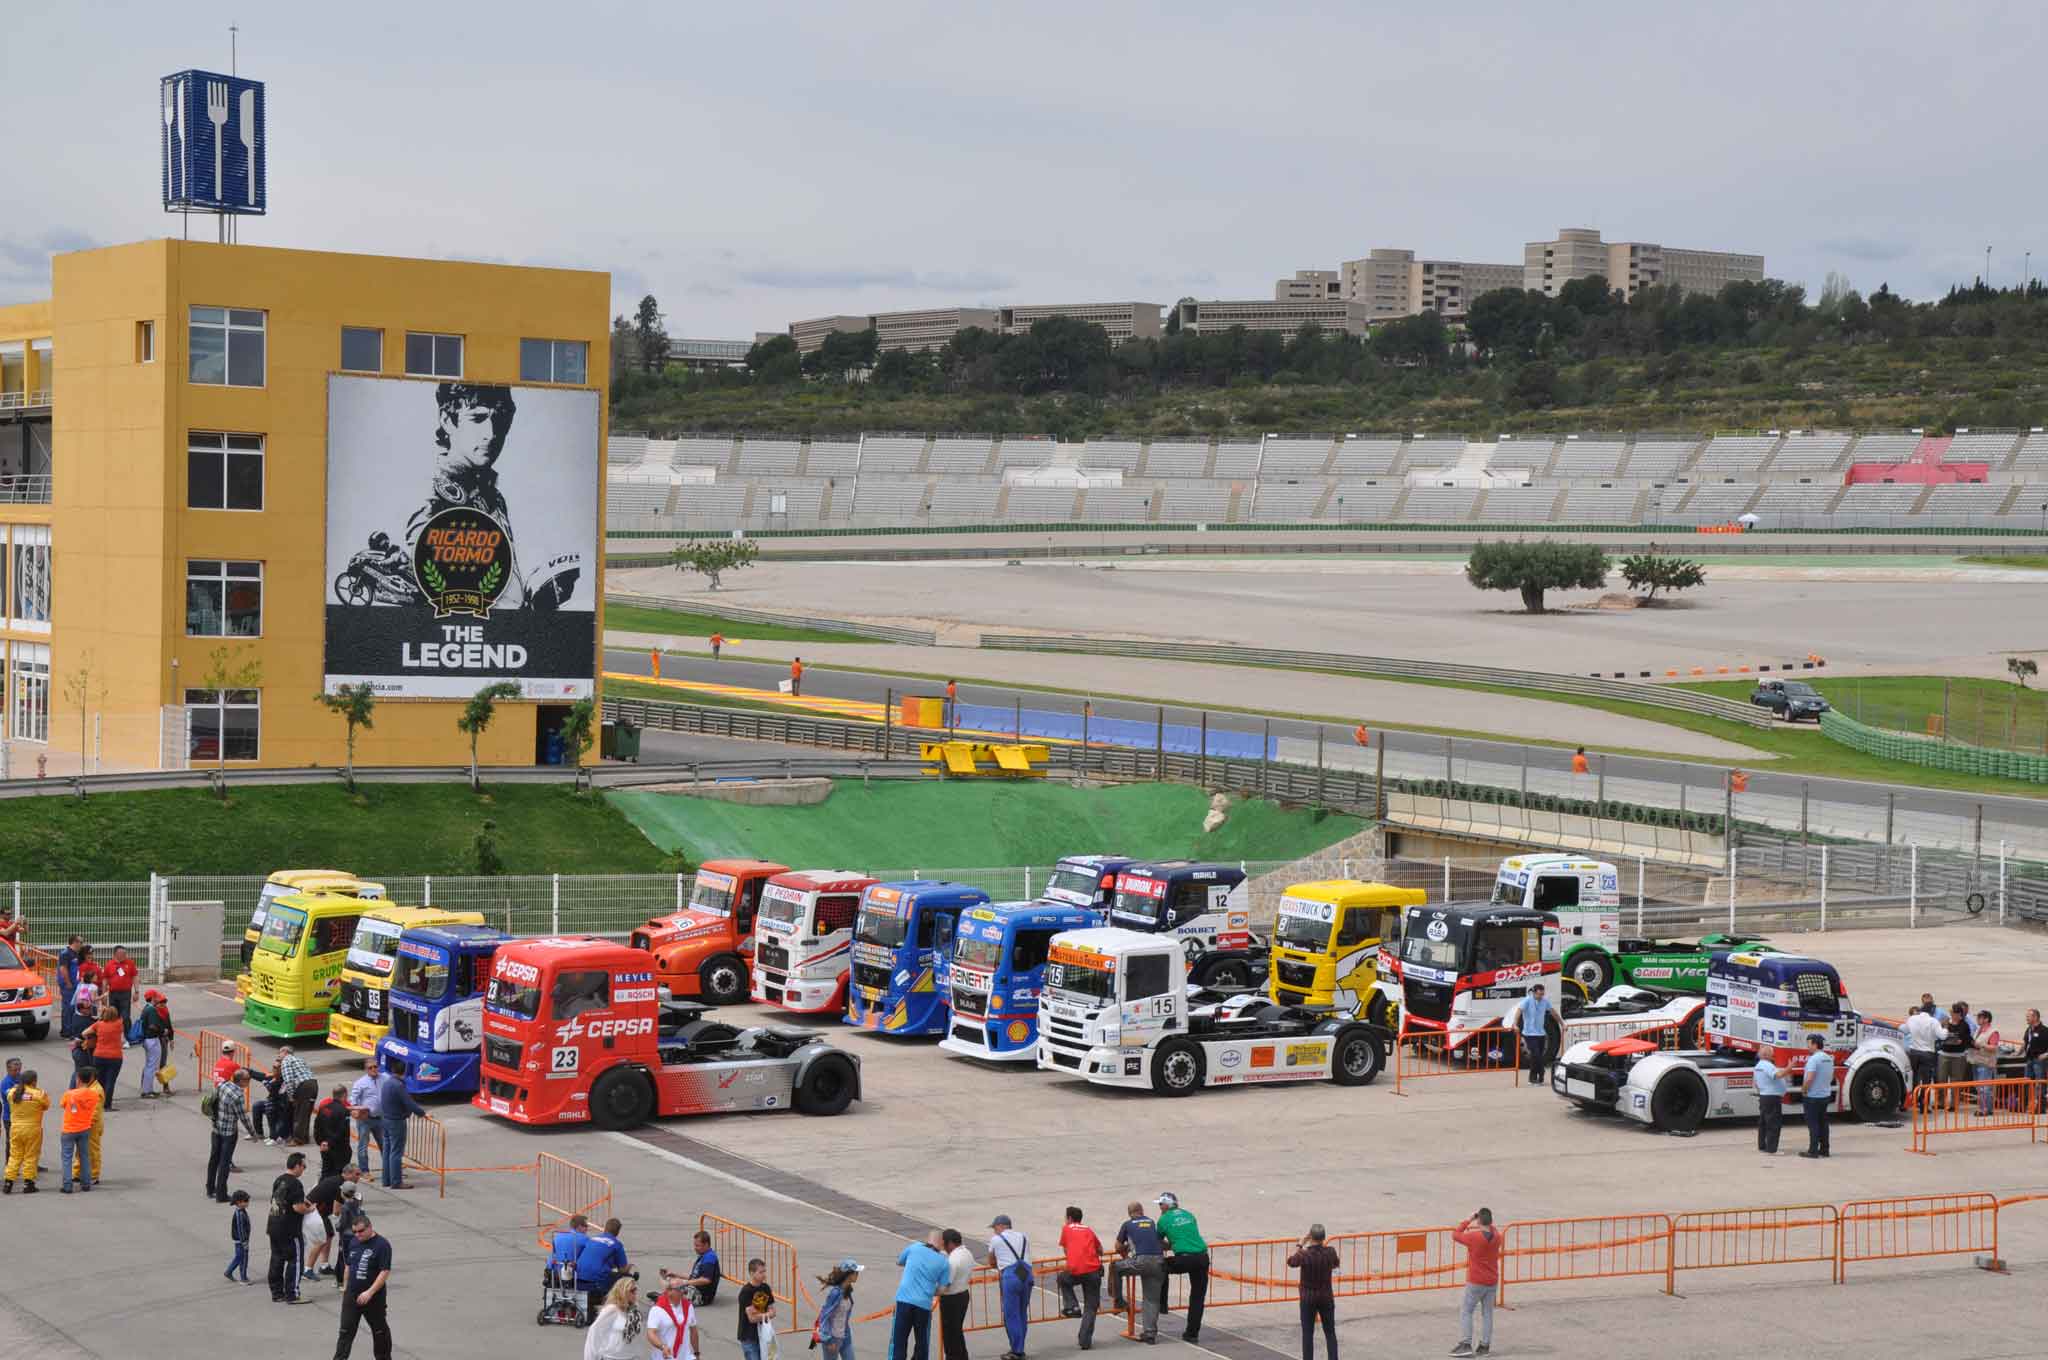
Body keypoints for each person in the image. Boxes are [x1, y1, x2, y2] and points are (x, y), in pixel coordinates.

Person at [336, 1213, 395, 1360]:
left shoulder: (382, 1245)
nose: (357, 1235)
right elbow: (348, 1266)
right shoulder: (354, 1242)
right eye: (355, 1231)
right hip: (352, 1295)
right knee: (345, 1332)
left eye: (361, 1231)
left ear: (370, 1227)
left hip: (373, 1297)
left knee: (379, 1331)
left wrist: (370, 1292)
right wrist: (345, 1287)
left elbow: (384, 1271)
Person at [1109, 1200, 1166, 1344]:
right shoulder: (1152, 1222)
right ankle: (1150, 1334)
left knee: (1114, 1267)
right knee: (1151, 1299)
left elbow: (1117, 1246)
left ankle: (1119, 1302)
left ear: (1130, 1214)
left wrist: (1127, 1250)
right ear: (1142, 1211)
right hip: (1159, 1262)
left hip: (1141, 1261)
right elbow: (1159, 1242)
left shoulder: (1128, 1224)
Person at [1156, 1192, 1209, 1343]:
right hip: (1202, 1257)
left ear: (1166, 1205)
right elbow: (1189, 1235)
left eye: (1160, 1204)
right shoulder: (1189, 1215)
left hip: (1184, 1258)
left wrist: (1170, 1244)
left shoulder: (1163, 1219)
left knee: (1161, 1266)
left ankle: (1162, 1304)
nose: (1159, 1208)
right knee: (1198, 1298)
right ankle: (1192, 1334)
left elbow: (1157, 1241)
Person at [1449, 1208, 1500, 1357]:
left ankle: (1466, 1343)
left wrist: (1468, 1220)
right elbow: (1493, 1229)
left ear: (1479, 1221)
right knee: (1487, 1314)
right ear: (1491, 1221)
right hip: (1492, 1280)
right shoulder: (1497, 1236)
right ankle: (1484, 1346)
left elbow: (1455, 1234)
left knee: (1467, 1311)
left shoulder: (1474, 1237)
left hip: (1476, 1281)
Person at [890, 1233, 948, 1360]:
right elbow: (943, 1289)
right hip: (923, 1304)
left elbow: (899, 1261)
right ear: (941, 1244)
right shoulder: (944, 1262)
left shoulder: (914, 1247)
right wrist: (929, 1291)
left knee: (899, 1339)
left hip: (904, 1300)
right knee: (921, 1341)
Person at [1287, 1224, 1339, 1360]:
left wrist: (1300, 1245)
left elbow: (1291, 1262)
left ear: (1310, 1237)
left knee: (1308, 1334)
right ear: (1324, 1238)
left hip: (1308, 1298)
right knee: (1330, 1333)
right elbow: (1335, 1263)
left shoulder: (1304, 1255)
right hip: (1326, 1296)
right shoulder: (1331, 1252)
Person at [1056, 1205, 1104, 1351]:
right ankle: (1085, 1341)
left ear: (1069, 1218)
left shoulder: (1067, 1228)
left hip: (1076, 1270)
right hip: (1093, 1270)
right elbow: (1100, 1250)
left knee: (1062, 1279)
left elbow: (1065, 1249)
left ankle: (1072, 1306)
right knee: (1091, 1306)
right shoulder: (1088, 1229)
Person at [268, 1150, 313, 1303]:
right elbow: (297, 1207)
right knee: (295, 1260)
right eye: (304, 1166)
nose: (304, 1169)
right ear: (297, 1166)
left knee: (277, 1259)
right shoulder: (295, 1183)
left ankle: (277, 1292)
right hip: (289, 1229)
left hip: (274, 1224)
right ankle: (292, 1294)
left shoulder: (279, 1179)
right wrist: (310, 1210)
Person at [374, 1060, 427, 1188]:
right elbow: (409, 1103)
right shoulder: (398, 1085)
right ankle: (396, 1182)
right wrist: (422, 1113)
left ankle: (386, 1180)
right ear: (404, 1071)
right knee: (396, 1152)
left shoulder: (387, 1083)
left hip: (385, 1120)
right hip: (395, 1121)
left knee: (387, 1151)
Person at [988, 1214, 1033, 1360]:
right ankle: (1019, 1347)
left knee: (1011, 1314)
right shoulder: (1024, 1236)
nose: (994, 1231)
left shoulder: (996, 1239)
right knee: (1021, 1313)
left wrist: (999, 1263)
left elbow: (991, 1261)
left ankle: (1017, 1350)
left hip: (1011, 1276)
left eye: (995, 1228)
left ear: (1001, 1226)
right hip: (1027, 1274)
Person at [305, 1164, 359, 1283]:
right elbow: (336, 1210)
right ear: (348, 1174)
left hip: (318, 1211)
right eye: (357, 1174)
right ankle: (307, 1269)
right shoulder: (342, 1186)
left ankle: (324, 1265)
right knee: (321, 1240)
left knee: (328, 1235)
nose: (359, 1177)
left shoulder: (338, 1180)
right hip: (314, 1212)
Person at [208, 1068, 255, 1201]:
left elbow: (213, 1101)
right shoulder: (237, 1095)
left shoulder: (222, 1085)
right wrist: (253, 1133)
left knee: (214, 1159)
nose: (249, 1083)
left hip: (216, 1128)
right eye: (248, 1080)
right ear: (242, 1081)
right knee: (224, 1162)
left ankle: (210, 1189)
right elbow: (243, 1117)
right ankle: (221, 1195)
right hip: (229, 1132)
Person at [576, 1217, 632, 1315]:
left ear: (605, 1228)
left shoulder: (592, 1239)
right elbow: (622, 1269)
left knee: (607, 1272)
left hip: (579, 1277)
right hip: (596, 1281)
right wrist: (629, 1267)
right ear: (618, 1232)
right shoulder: (616, 1244)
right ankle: (619, 1306)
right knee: (627, 1278)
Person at [3, 1068, 46, 1194]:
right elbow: (46, 1105)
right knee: (31, 1156)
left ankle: (8, 1182)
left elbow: (8, 1097)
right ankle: (28, 1184)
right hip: (33, 1129)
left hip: (15, 1128)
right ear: (34, 1081)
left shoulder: (12, 1093)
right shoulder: (39, 1094)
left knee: (14, 1156)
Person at [56, 1068, 99, 1193]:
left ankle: (67, 1185)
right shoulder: (94, 1094)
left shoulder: (69, 1094)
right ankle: (86, 1184)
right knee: (85, 1156)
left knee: (67, 1158)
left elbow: (63, 1105)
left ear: (78, 1079)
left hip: (69, 1129)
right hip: (85, 1128)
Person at [585, 1276, 645, 1360]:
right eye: (632, 1291)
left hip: (630, 1357)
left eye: (636, 1290)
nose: (635, 1293)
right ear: (622, 1292)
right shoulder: (612, 1309)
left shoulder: (635, 1312)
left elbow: (637, 1339)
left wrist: (638, 1356)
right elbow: (594, 1333)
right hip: (611, 1357)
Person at [812, 1260, 860, 1360]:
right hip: (832, 1338)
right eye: (856, 1272)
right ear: (848, 1274)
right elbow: (824, 1317)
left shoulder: (848, 1290)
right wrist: (828, 1340)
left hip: (845, 1336)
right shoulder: (835, 1293)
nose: (858, 1275)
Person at [1797, 1033, 1835, 1158]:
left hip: (1812, 1096)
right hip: (1824, 1095)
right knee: (1823, 1123)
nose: (1807, 1046)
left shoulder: (1813, 1059)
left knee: (1813, 1124)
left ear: (1814, 1044)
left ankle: (1813, 1150)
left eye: (1808, 1043)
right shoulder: (1828, 1058)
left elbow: (1809, 1078)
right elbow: (1831, 1076)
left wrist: (1804, 1090)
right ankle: (1825, 1149)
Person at [940, 1228, 974, 1360]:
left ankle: (953, 1357)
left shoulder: (953, 1260)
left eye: (944, 1245)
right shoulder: (967, 1253)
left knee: (950, 1334)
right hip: (963, 1294)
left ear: (950, 1244)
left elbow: (946, 1283)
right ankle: (962, 1356)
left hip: (951, 1299)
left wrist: (932, 1292)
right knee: (957, 1330)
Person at [83, 1003, 124, 1111]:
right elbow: (122, 1016)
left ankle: (97, 1102)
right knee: (110, 1081)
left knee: (99, 1080)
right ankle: (107, 1105)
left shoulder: (99, 1024)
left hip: (99, 1055)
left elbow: (84, 1033)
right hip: (115, 1056)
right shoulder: (119, 1024)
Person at [1511, 984, 1553, 1085]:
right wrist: (1515, 1024)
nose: (1541, 996)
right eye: (1539, 994)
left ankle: (1533, 1078)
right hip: (1529, 1033)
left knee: (1537, 1057)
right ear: (1534, 993)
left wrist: (1562, 1023)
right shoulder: (1527, 1001)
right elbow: (1519, 1011)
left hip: (1541, 1033)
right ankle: (1541, 1071)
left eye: (1542, 994)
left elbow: (1553, 1012)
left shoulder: (1544, 1001)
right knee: (1536, 1054)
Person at [738, 1257, 778, 1360]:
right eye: (761, 1272)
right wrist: (766, 1314)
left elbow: (773, 1311)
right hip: (749, 1336)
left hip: (764, 1334)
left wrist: (760, 1314)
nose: (764, 1274)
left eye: (764, 1271)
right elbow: (752, 1319)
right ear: (752, 1273)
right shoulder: (746, 1292)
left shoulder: (765, 1288)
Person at [1902, 1002, 1942, 1101]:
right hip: (1927, 1054)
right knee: (1926, 1080)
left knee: (1914, 1078)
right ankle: (1924, 1103)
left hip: (1914, 1052)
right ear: (1932, 1011)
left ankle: (1912, 1100)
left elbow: (1904, 1030)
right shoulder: (1933, 1021)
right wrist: (1945, 1030)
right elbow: (1942, 1035)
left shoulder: (1912, 1019)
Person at [1936, 1002, 1974, 1108]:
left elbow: (1966, 1039)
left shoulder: (1964, 1025)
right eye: (1952, 1012)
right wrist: (1945, 1026)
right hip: (1944, 1054)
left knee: (1956, 1081)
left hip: (1958, 1056)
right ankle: (1941, 1102)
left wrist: (1960, 1041)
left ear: (1959, 1015)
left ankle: (1954, 1104)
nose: (1953, 1015)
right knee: (1941, 1079)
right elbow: (1940, 1034)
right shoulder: (1946, 1022)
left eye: (1955, 1013)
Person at [280, 1045, 319, 1145]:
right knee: (306, 1112)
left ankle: (298, 1139)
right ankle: (304, 1137)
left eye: (280, 1053)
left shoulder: (286, 1061)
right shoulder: (299, 1059)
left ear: (285, 1052)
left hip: (303, 1086)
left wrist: (291, 1095)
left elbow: (288, 1080)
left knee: (299, 1114)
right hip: (313, 1084)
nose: (279, 1056)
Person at [349, 1058, 382, 1175]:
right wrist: (355, 1111)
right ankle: (364, 1171)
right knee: (363, 1146)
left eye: (375, 1066)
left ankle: (388, 1168)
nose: (373, 1069)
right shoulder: (360, 1083)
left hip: (380, 1119)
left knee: (384, 1144)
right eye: (370, 1068)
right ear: (366, 1069)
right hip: (365, 1120)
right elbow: (353, 1100)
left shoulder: (385, 1079)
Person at [138, 988, 173, 1100]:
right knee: (151, 1066)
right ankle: (147, 1091)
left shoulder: (146, 1009)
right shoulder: (152, 1010)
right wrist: (163, 1031)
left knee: (150, 1065)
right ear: (153, 998)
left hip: (148, 1039)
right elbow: (153, 1026)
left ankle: (148, 1089)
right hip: (152, 1039)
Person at [315, 1084, 353, 1178]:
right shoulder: (343, 1111)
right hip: (340, 1148)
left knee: (326, 1172)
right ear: (344, 1095)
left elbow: (317, 1126)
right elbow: (342, 1131)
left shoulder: (324, 1108)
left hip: (325, 1147)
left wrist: (321, 1142)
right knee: (340, 1175)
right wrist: (329, 1143)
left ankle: (323, 1190)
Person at [1754, 1051, 1786, 1154]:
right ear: (1766, 1055)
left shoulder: (1758, 1066)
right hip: (1772, 1097)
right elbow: (1778, 1075)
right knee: (1773, 1123)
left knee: (1763, 1123)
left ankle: (1762, 1146)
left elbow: (1756, 1083)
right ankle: (1772, 1149)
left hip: (1764, 1096)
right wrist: (1789, 1068)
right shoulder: (1767, 1065)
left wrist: (1761, 1094)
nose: (1773, 1055)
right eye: (1771, 1053)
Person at [1972, 1010, 2001, 1115]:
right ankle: (1983, 1107)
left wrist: (1982, 1045)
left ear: (1986, 1019)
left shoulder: (1993, 1032)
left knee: (1985, 1087)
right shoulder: (1978, 1030)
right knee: (1979, 1087)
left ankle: (1986, 1109)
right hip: (1976, 1061)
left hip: (1986, 1063)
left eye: (1980, 1017)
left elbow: (1994, 1047)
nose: (1977, 1019)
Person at [551, 1213, 592, 1284]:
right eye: (585, 1226)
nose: (587, 1229)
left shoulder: (558, 1236)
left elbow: (554, 1253)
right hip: (572, 1273)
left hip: (554, 1272)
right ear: (579, 1226)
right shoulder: (584, 1238)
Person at [225, 1188, 255, 1284]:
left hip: (240, 1240)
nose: (247, 1203)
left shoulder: (241, 1211)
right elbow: (241, 1229)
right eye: (245, 1201)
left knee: (239, 1257)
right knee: (243, 1259)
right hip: (241, 1241)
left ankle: (230, 1272)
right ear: (238, 1202)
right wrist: (244, 1242)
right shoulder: (240, 1214)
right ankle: (243, 1277)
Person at [103, 945, 137, 1025]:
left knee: (125, 1016)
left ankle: (128, 1033)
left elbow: (135, 977)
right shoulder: (109, 964)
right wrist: (104, 994)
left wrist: (136, 991)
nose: (125, 955)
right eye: (122, 954)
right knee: (113, 1015)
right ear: (115, 954)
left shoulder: (130, 963)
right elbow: (105, 980)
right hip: (113, 993)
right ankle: (114, 1032)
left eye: (125, 953)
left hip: (125, 993)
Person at [684, 1229, 721, 1304]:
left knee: (672, 1295)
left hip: (702, 1296)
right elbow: (693, 1277)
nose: (695, 1248)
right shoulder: (704, 1256)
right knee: (672, 1283)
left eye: (697, 1245)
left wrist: (684, 1282)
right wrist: (674, 1275)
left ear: (706, 1245)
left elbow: (706, 1279)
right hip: (694, 1289)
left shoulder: (709, 1258)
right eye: (695, 1245)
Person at [55, 936, 82, 1037]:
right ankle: (67, 1031)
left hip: (74, 984)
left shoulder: (75, 954)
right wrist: (68, 982)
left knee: (72, 1007)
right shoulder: (66, 954)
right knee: (68, 1007)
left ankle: (70, 1029)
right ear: (75, 942)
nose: (81, 944)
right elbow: (63, 969)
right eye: (80, 942)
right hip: (68, 985)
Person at [2022, 1007, 2048, 1088]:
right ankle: (2029, 1100)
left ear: (2035, 1017)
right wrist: (2017, 1053)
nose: (2026, 1018)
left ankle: (2039, 1100)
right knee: (2027, 1082)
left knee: (2039, 1084)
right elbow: (2025, 1042)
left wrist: (2045, 1055)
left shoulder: (2044, 1030)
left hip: (2039, 1061)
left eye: (2028, 1017)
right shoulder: (2029, 1029)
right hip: (2029, 1059)